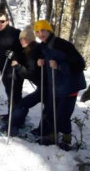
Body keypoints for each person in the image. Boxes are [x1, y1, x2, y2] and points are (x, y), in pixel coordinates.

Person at [34, 20, 86, 150]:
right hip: (55, 86)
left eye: (43, 30)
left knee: (63, 114)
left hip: (70, 86)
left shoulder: (63, 45)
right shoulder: (43, 47)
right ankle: (53, 135)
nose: (40, 34)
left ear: (49, 30)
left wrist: (59, 66)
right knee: (52, 111)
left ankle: (67, 137)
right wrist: (40, 62)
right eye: (37, 32)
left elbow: (80, 64)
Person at [0, 25, 43, 136]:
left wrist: (18, 66)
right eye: (20, 39)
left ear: (31, 39)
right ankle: (15, 124)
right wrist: (13, 56)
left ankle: (14, 126)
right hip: (42, 86)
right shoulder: (28, 49)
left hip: (48, 87)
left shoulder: (35, 51)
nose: (22, 41)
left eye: (25, 39)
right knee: (22, 104)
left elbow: (30, 73)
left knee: (23, 105)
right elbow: (22, 58)